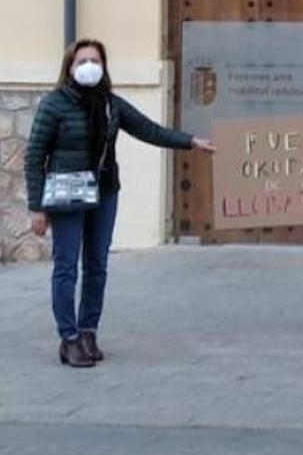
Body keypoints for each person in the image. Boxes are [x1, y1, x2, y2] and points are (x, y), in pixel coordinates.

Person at [24, 39, 215, 368]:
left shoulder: (111, 104)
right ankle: (68, 338)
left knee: (96, 267)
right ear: (70, 67)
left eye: (95, 60)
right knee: (66, 268)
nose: (89, 66)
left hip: (104, 193)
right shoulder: (53, 105)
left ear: (103, 66)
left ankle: (88, 332)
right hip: (67, 196)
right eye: (82, 60)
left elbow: (148, 129)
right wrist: (37, 206)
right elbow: (34, 156)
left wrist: (192, 141)